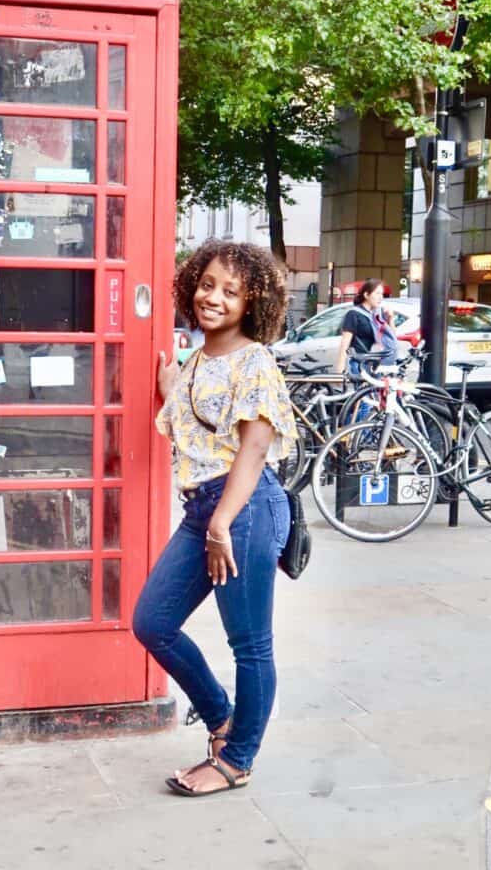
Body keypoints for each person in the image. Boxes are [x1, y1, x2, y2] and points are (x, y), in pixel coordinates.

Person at [134, 240, 297, 797]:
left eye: (231, 291)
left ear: (253, 303)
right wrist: (170, 390)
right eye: (207, 285)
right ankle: (221, 719)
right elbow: (200, 427)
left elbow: (252, 450)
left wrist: (222, 523)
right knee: (152, 622)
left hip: (242, 511)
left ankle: (237, 758)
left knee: (250, 643)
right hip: (206, 510)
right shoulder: (201, 358)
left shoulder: (255, 362)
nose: (215, 297)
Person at [334, 278, 396, 374]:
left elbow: (391, 338)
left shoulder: (378, 314)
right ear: (366, 295)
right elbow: (345, 342)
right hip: (360, 364)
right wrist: (340, 367)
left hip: (376, 364)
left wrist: (390, 319)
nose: (381, 297)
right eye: (377, 293)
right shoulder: (354, 314)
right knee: (363, 389)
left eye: (382, 294)